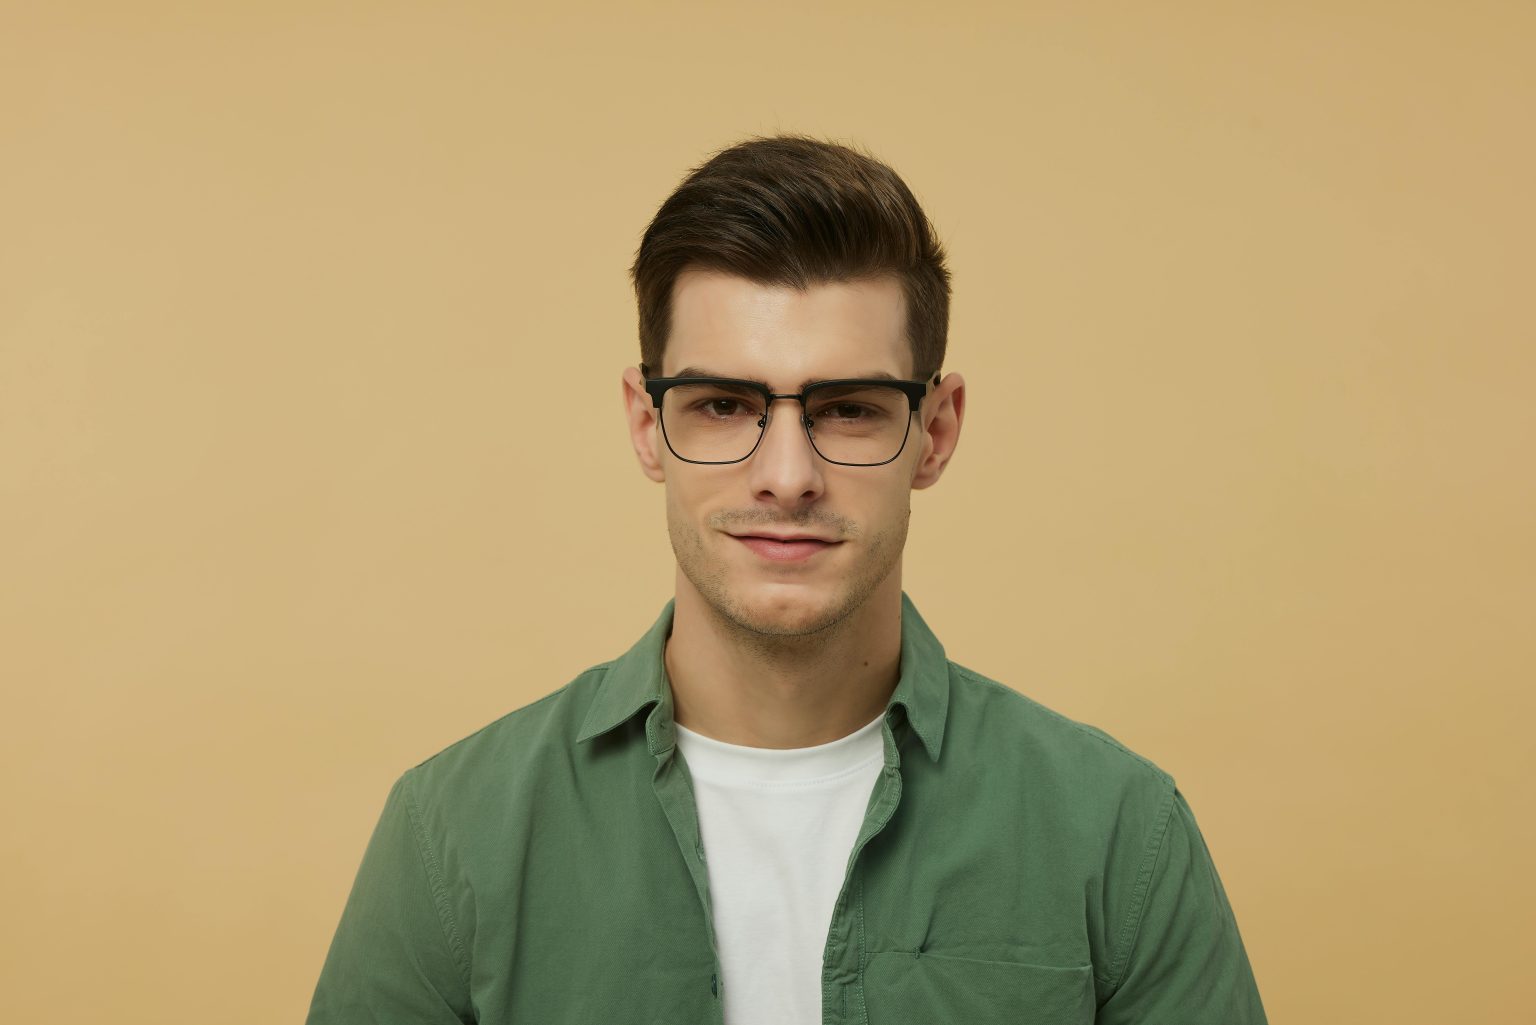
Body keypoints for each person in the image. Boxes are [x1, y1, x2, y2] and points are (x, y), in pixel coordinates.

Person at [304, 133, 1268, 1025]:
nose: (788, 473)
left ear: (935, 432)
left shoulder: (1116, 830)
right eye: (724, 404)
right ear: (648, 424)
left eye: (848, 408)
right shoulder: (456, 832)